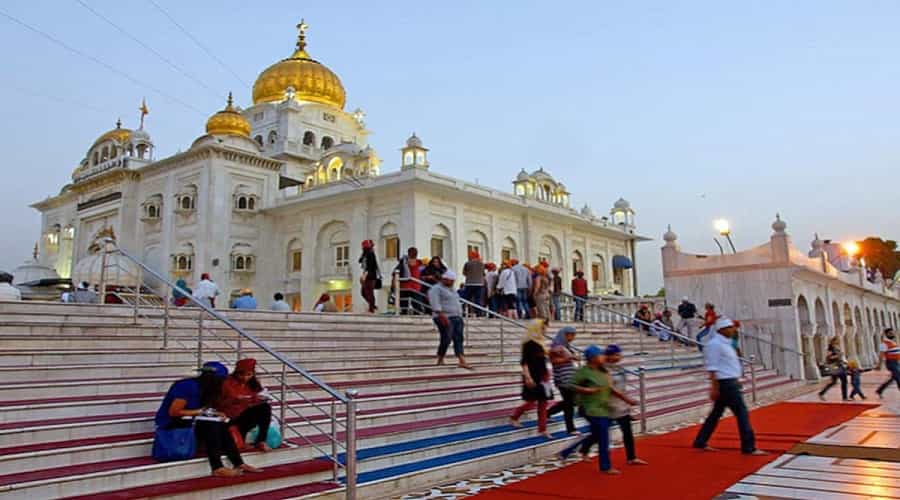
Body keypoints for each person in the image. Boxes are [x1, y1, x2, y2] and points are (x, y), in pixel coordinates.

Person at [154, 361, 261, 477]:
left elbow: (204, 409)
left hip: (192, 419)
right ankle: (217, 467)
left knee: (222, 423)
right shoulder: (187, 386)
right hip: (173, 422)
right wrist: (201, 412)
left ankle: (238, 462)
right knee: (212, 426)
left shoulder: (207, 390)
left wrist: (215, 413)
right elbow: (174, 412)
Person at [693, 317, 767, 456]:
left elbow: (728, 365)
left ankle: (700, 441)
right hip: (725, 384)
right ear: (722, 329)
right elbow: (712, 367)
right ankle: (748, 447)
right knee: (741, 413)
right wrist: (714, 387)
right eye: (730, 327)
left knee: (715, 414)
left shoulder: (726, 344)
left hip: (729, 381)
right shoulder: (714, 344)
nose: (733, 330)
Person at [558, 345, 617, 473]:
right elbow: (570, 385)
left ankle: (567, 452)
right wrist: (585, 390)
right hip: (590, 408)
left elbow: (610, 386)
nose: (603, 357)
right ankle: (605, 466)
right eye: (600, 355)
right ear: (593, 358)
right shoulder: (584, 372)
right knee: (603, 436)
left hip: (604, 408)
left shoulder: (603, 371)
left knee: (596, 435)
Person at [510, 320, 553, 438]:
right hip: (532, 375)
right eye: (543, 328)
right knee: (531, 401)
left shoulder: (541, 343)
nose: (544, 330)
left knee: (543, 403)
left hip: (543, 375)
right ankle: (514, 416)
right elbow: (524, 362)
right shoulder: (529, 344)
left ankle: (542, 429)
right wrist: (528, 377)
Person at [220, 358, 273, 452]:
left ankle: (261, 440)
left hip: (246, 414)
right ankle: (249, 440)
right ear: (236, 373)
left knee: (265, 408)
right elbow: (229, 399)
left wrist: (259, 398)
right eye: (241, 374)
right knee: (261, 409)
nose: (245, 378)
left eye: (249, 375)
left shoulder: (253, 384)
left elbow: (256, 398)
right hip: (230, 415)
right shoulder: (227, 383)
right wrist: (249, 399)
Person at [428, 270, 473, 369]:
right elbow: (434, 303)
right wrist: (441, 314)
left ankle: (461, 359)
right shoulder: (436, 289)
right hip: (444, 316)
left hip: (457, 316)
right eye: (451, 281)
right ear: (445, 279)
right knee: (447, 337)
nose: (452, 283)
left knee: (458, 338)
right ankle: (440, 357)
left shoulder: (452, 290)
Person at [547, 326, 579, 435]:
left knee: (570, 401)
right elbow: (553, 361)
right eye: (571, 335)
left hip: (570, 377)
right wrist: (569, 358)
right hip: (562, 378)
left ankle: (548, 412)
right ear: (564, 334)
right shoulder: (556, 346)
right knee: (569, 403)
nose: (572, 337)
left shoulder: (566, 346)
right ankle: (571, 428)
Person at [394, 247, 422, 314]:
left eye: (415, 252)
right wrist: (394, 284)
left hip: (416, 287)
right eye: (411, 252)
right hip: (405, 287)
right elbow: (395, 272)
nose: (413, 253)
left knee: (417, 306)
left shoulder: (420, 262)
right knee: (404, 306)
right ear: (408, 253)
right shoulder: (403, 262)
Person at [876, 328, 900, 398]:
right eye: (890, 333)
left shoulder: (893, 342)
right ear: (886, 334)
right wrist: (879, 365)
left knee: (894, 378)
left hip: (896, 363)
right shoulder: (884, 344)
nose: (892, 334)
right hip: (891, 363)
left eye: (892, 333)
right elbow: (881, 355)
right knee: (898, 378)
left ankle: (880, 390)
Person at [359, 240, 380, 313]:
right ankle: (372, 305)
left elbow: (371, 266)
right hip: (367, 275)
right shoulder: (365, 254)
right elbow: (360, 260)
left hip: (370, 276)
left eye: (363, 246)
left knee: (369, 292)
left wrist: (365, 275)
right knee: (363, 292)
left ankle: (372, 309)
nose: (362, 248)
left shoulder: (370, 254)